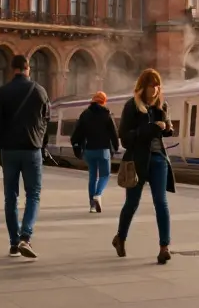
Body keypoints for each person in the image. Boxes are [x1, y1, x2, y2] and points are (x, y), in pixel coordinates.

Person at [0, 54, 51, 259]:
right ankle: (26, 236)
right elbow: (46, 121)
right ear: (27, 69)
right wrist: (42, 144)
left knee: (10, 197)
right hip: (32, 150)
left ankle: (14, 243)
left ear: (12, 69)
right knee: (33, 195)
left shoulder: (2, 92)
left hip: (9, 151)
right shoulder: (40, 91)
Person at [111, 69, 175, 265]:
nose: (155, 89)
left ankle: (164, 247)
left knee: (161, 203)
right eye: (152, 85)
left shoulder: (162, 105)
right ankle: (120, 237)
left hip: (158, 160)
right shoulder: (131, 106)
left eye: (158, 85)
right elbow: (125, 138)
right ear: (143, 86)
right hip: (137, 161)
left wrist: (167, 128)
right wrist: (148, 129)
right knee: (132, 203)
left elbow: (168, 128)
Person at [71, 91, 119, 213]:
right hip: (103, 150)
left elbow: (77, 133)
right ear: (104, 101)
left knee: (93, 176)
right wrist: (116, 146)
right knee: (104, 175)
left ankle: (92, 206)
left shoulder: (85, 114)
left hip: (89, 150)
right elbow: (113, 133)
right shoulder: (107, 114)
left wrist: (76, 146)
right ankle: (98, 195)